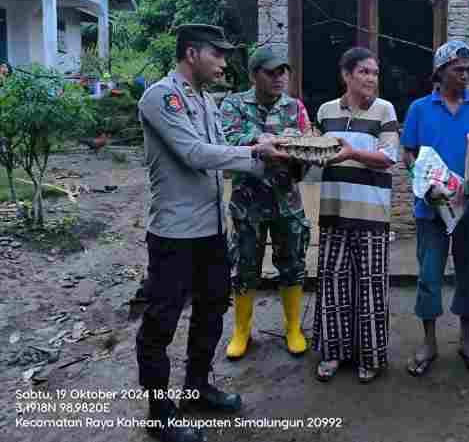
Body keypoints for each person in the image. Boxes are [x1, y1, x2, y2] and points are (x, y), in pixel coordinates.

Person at [136, 24, 289, 442]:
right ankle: (159, 412)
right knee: (161, 321)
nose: (224, 62)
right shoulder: (161, 97)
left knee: (211, 309)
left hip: (209, 231)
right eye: (216, 54)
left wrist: (273, 154)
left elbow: (226, 157)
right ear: (191, 53)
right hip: (173, 233)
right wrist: (256, 151)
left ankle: (197, 386)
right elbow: (195, 154)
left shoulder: (205, 101)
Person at [401, 40, 469, 377]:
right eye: (459, 70)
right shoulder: (419, 109)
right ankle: (429, 342)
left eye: (468, 69)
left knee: (468, 274)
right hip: (432, 209)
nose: (466, 75)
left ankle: (466, 340)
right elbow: (408, 154)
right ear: (440, 73)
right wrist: (426, 185)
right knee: (429, 275)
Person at [311, 47, 399, 384]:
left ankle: (371, 357)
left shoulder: (384, 110)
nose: (371, 79)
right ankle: (333, 353)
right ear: (346, 75)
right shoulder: (325, 111)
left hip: (372, 213)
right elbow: (317, 151)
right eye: (364, 72)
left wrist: (351, 153)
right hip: (333, 209)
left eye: (375, 73)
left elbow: (388, 156)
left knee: (371, 285)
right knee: (332, 283)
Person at [220, 46, 312, 358]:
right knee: (245, 266)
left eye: (282, 72)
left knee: (292, 264)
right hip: (248, 204)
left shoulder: (295, 108)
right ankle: (241, 331)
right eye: (270, 72)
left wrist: (279, 150)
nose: (279, 78)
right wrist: (263, 145)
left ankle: (293, 328)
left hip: (287, 202)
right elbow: (228, 143)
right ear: (253, 75)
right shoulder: (234, 104)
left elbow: (308, 149)